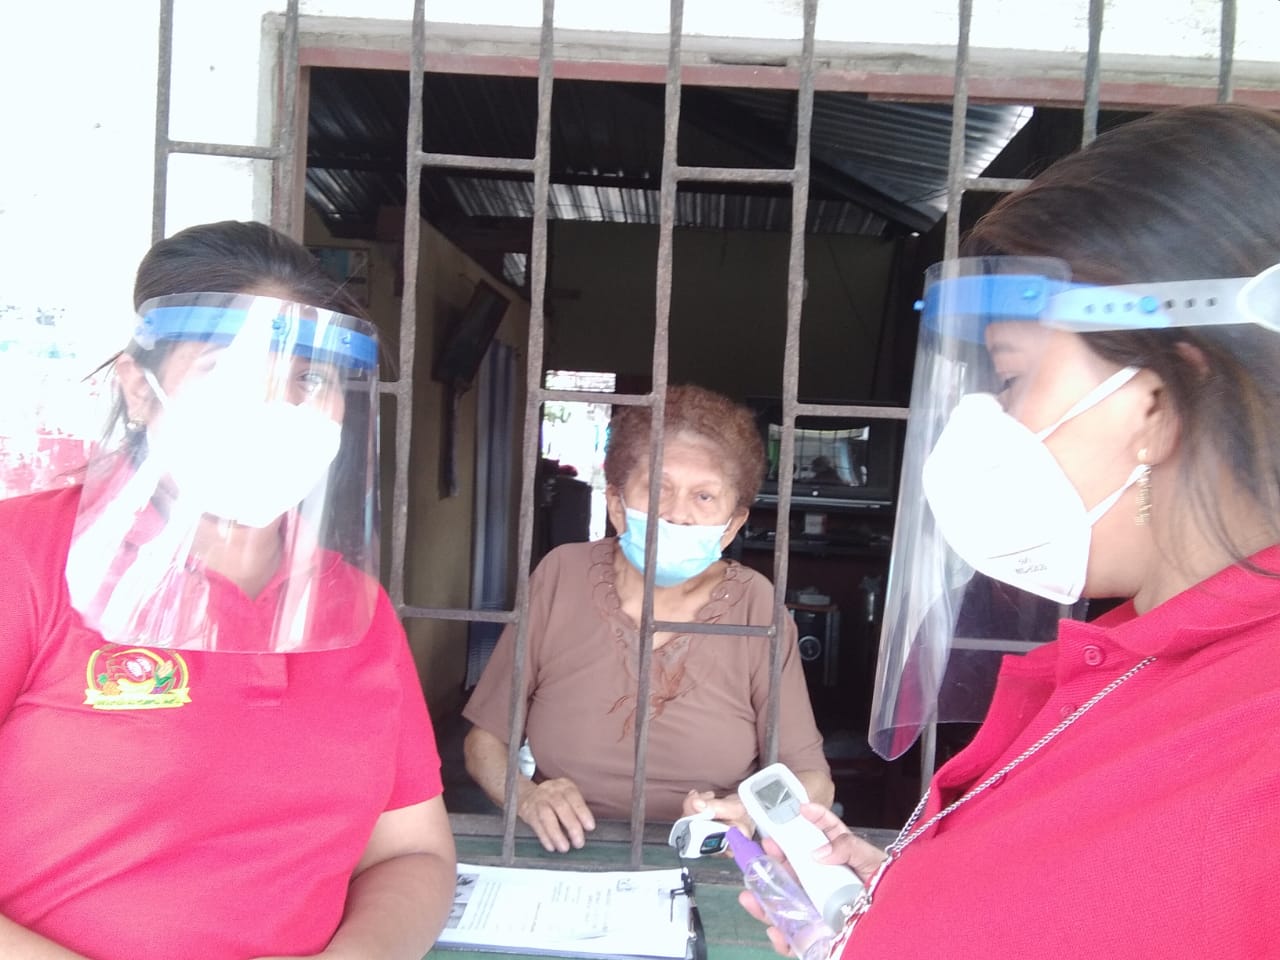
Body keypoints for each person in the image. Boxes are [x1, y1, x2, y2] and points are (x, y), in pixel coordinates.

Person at [741, 103, 1280, 958]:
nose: (985, 425)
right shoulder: (1130, 660)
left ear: (1157, 404)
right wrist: (898, 902)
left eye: (1012, 377)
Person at [0, 221, 456, 960]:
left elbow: (412, 851)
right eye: (228, 371)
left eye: (309, 379)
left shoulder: (356, 610)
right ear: (139, 390)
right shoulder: (24, 558)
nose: (276, 407)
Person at [463, 384, 833, 852]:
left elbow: (813, 779)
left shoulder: (756, 606)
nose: (677, 515)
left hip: (707, 854)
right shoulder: (561, 575)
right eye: (658, 489)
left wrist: (749, 814)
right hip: (565, 849)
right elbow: (484, 742)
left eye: (704, 497)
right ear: (617, 505)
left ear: (732, 526)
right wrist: (528, 797)